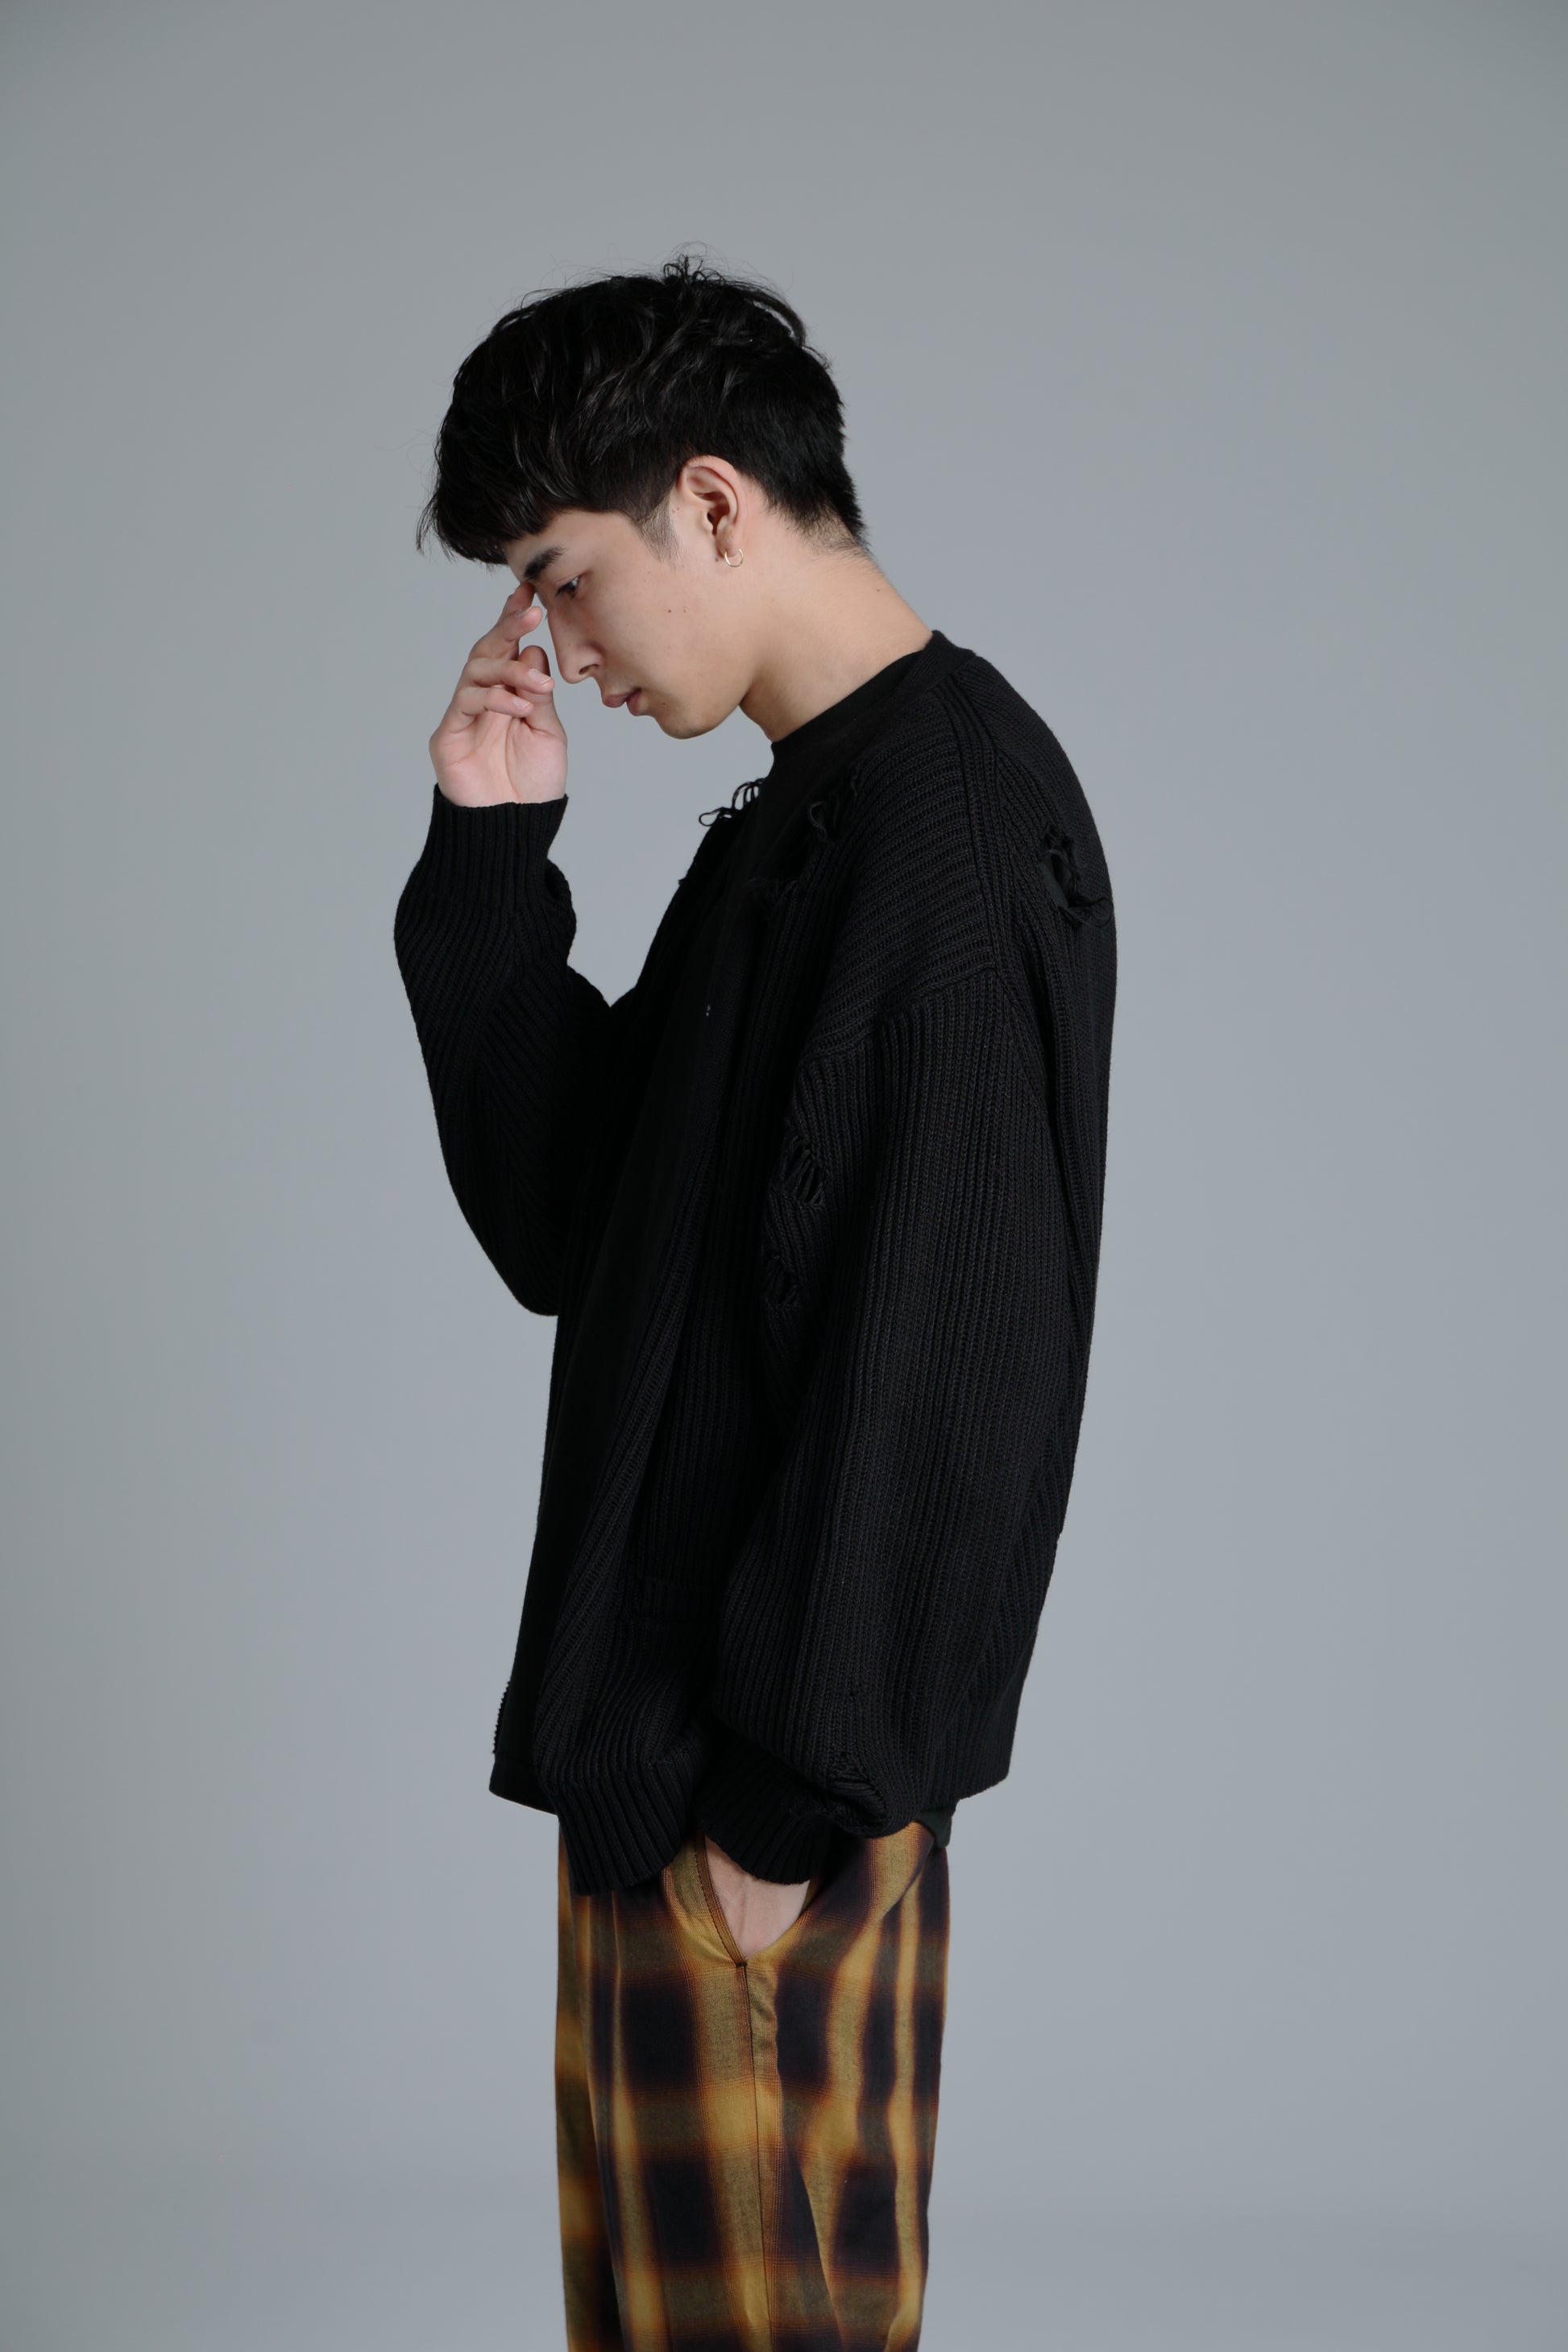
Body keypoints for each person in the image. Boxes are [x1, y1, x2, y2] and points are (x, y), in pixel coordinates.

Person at [393, 251, 1116, 2351]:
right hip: (673, 1786)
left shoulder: (941, 838)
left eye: (567, 577)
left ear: (709, 502)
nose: (561, 644)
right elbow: (575, 1229)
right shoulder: (809, 817)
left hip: (756, 1823)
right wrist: (489, 863)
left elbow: (958, 1367)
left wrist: (773, 1827)